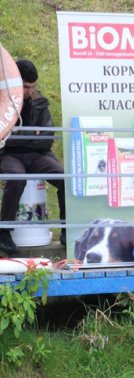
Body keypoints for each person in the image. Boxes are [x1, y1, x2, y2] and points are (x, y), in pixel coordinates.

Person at [0, 58, 66, 256]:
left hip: (38, 155)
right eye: (26, 87)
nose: (30, 91)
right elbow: (4, 137)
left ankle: (66, 229)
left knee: (65, 178)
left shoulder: (40, 103)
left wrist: (17, 136)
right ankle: (3, 233)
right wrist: (29, 137)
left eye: (33, 87)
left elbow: (46, 140)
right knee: (16, 177)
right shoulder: (3, 102)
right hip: (9, 155)